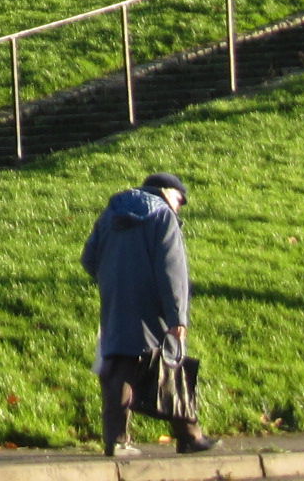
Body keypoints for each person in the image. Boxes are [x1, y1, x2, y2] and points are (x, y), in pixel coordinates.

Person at [80, 170, 214, 457]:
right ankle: (185, 436)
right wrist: (178, 316)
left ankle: (127, 438)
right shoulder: (162, 216)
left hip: (115, 298)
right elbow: (172, 271)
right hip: (152, 302)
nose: (179, 208)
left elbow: (88, 257)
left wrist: (111, 279)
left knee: (120, 362)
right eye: (179, 200)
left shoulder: (110, 213)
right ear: (167, 193)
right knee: (171, 361)